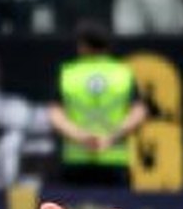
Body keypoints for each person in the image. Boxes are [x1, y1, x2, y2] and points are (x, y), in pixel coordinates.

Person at [48, 20, 147, 187]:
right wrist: (111, 137)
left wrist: (81, 137)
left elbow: (55, 115)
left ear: (83, 45)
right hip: (115, 160)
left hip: (76, 160)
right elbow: (138, 113)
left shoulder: (68, 73)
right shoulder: (123, 73)